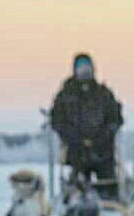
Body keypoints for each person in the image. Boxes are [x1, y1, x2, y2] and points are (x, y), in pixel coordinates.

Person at [49, 54, 123, 197]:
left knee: (109, 186)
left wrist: (102, 136)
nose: (85, 72)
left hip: (103, 149)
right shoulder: (65, 95)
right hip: (76, 150)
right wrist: (76, 138)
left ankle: (111, 207)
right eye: (82, 68)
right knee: (77, 188)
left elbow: (115, 119)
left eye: (87, 68)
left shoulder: (104, 94)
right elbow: (58, 121)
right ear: (75, 70)